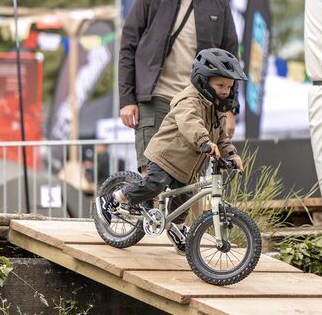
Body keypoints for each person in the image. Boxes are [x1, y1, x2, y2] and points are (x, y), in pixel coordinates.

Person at [118, 0, 240, 173]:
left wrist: (230, 110)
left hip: (198, 102)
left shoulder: (218, 4)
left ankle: (190, 216)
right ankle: (145, 213)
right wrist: (127, 99)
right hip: (155, 98)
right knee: (152, 174)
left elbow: (231, 60)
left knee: (190, 181)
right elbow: (128, 48)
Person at [105, 48, 246, 253]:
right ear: (203, 81)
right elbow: (190, 122)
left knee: (187, 196)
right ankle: (115, 198)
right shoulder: (188, 100)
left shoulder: (218, 109)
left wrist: (232, 155)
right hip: (165, 156)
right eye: (220, 85)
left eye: (229, 86)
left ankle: (176, 227)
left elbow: (222, 138)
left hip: (187, 166)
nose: (225, 90)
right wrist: (205, 142)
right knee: (155, 184)